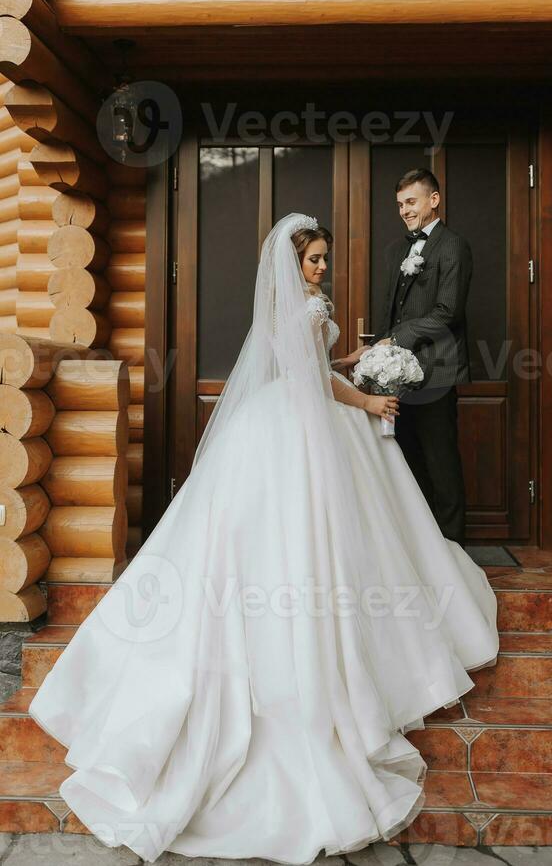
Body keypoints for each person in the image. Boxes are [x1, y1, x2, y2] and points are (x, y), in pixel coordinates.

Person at [28, 212, 498, 864]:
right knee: (314, 541)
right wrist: (364, 401)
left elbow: (300, 365)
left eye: (325, 260)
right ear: (292, 262)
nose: (321, 269)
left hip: (269, 424)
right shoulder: (305, 309)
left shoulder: (292, 309)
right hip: (301, 433)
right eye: (313, 260)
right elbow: (310, 380)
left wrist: (350, 361)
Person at [334, 169, 471, 546]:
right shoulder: (396, 250)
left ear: (434, 199)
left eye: (411, 202)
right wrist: (375, 363)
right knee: (405, 461)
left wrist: (394, 340)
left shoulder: (453, 246)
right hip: (394, 377)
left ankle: (453, 549)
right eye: (400, 205)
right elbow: (390, 313)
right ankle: (420, 548)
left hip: (437, 372)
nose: (404, 211)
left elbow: (448, 312)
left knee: (440, 462)